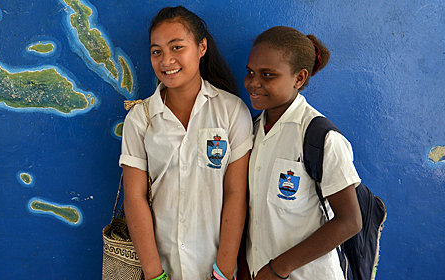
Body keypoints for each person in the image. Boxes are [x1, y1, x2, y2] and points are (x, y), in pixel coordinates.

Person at [119, 6, 253, 280]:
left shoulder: (231, 111)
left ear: (202, 47)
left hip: (215, 268)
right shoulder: (140, 118)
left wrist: (223, 272)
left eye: (177, 47)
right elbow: (134, 198)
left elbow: (236, 195)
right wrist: (155, 274)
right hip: (160, 266)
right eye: (157, 51)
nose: (166, 60)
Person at [238, 26, 362, 280]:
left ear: (299, 78)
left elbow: (350, 221)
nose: (253, 82)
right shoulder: (250, 131)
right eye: (250, 72)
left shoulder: (320, 138)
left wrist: (278, 268)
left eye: (268, 75)